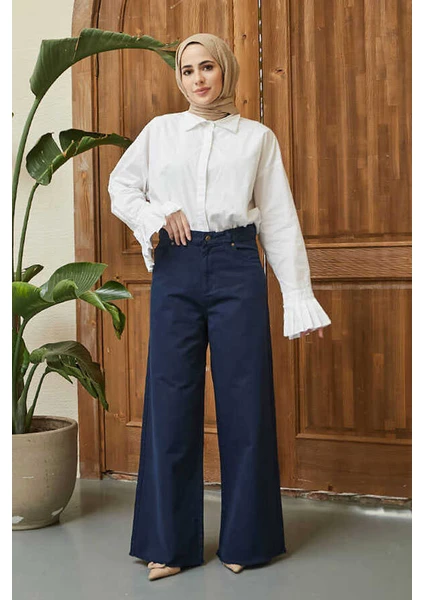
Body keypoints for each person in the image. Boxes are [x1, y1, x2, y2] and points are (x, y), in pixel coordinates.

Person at [108, 32, 331, 582]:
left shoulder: (257, 138)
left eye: (206, 67)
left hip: (236, 265)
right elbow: (121, 187)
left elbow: (278, 218)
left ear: (225, 70)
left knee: (245, 401)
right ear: (179, 79)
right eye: (187, 70)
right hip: (178, 265)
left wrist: (299, 297)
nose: (198, 79)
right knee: (169, 399)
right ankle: (167, 545)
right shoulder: (161, 132)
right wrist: (158, 215)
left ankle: (247, 541)